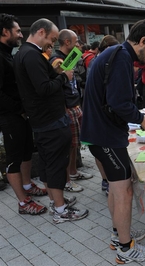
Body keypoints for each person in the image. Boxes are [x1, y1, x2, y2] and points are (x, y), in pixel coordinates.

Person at [80, 19, 145, 264]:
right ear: (142, 41)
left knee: (116, 186)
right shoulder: (120, 58)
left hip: (102, 133)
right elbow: (118, 103)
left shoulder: (117, 53)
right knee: (124, 190)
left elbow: (115, 99)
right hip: (104, 135)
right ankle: (125, 248)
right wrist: (142, 120)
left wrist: (139, 117)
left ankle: (119, 234)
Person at [13, 18, 88, 223]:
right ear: (42, 32)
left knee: (49, 163)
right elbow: (43, 88)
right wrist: (64, 77)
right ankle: (60, 210)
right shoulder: (31, 55)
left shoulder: (28, 53)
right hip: (49, 120)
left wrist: (55, 73)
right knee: (55, 164)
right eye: (52, 39)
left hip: (45, 119)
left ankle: (57, 201)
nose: (52, 45)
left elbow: (40, 83)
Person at [0, 13, 48, 215]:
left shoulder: (8, 53)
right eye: (18, 30)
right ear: (5, 31)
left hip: (21, 115)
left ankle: (28, 186)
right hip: (10, 117)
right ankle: (23, 202)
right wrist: (19, 110)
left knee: (27, 151)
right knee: (14, 158)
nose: (21, 35)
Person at [49, 29, 93, 193]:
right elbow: (58, 80)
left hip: (75, 104)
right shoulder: (57, 60)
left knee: (75, 144)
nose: (78, 45)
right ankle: (66, 180)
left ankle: (73, 172)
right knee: (68, 145)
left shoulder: (69, 57)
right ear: (67, 42)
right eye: (75, 41)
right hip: (67, 107)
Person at [85, 34, 120, 195]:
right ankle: (107, 180)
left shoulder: (103, 61)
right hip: (99, 116)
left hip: (100, 115)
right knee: (101, 150)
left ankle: (109, 180)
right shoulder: (98, 62)